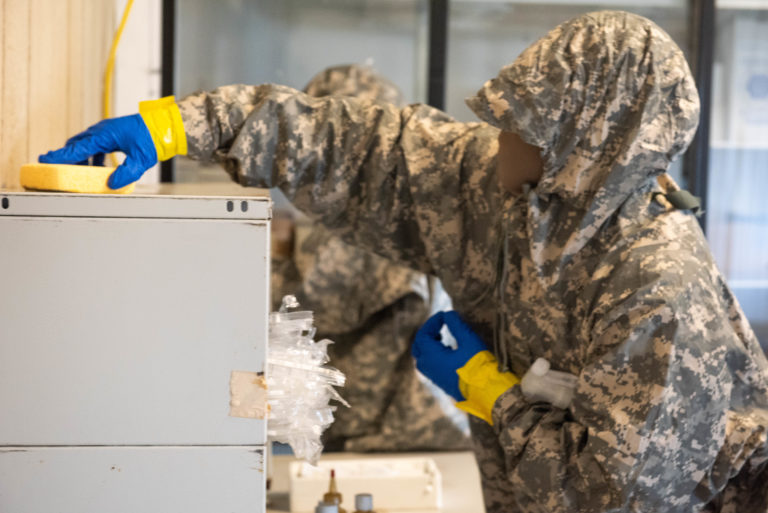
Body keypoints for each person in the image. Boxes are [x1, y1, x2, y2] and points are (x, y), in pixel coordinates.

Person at [40, 11, 768, 512]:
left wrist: (491, 393)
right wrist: (180, 125)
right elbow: (360, 148)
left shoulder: (657, 291)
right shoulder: (508, 191)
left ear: (585, 146)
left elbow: (602, 498)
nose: (499, 130)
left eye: (526, 121)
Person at [271, 64, 470, 452]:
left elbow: (311, 308)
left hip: (398, 431)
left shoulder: (373, 214)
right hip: (426, 423)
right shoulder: (409, 197)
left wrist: (275, 258)